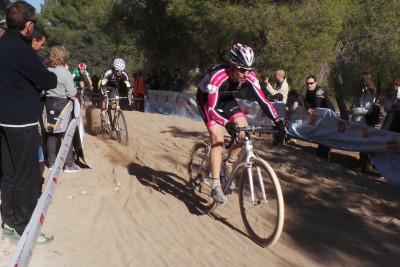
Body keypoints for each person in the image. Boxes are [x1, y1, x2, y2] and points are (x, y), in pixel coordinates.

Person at [196, 43, 286, 205]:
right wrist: (226, 124)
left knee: (243, 130)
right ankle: (216, 185)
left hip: (227, 98)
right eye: (242, 70)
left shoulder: (250, 77)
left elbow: (264, 101)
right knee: (217, 137)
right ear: (231, 65)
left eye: (249, 70)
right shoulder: (218, 76)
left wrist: (278, 121)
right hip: (207, 101)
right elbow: (212, 110)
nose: (246, 74)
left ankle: (227, 164)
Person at [0, 1, 57, 243]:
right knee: (26, 176)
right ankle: (24, 228)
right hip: (21, 123)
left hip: (3, 120)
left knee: (9, 173)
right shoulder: (22, 49)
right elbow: (48, 81)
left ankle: (9, 222)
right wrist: (52, 73)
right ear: (28, 25)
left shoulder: (2, 44)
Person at [45, 45, 78, 173]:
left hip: (49, 103)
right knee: (66, 134)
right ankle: (68, 164)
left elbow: (43, 89)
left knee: (51, 133)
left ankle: (52, 162)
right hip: (63, 105)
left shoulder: (47, 71)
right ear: (64, 57)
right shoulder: (66, 73)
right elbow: (71, 93)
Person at [348, 72, 378, 172]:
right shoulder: (363, 92)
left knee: (364, 144)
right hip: (360, 122)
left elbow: (367, 109)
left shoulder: (369, 93)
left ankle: (364, 165)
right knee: (362, 143)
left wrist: (354, 111)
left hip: (363, 122)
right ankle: (362, 164)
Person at [303, 75, 332, 159]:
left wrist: (311, 107)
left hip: (329, 115)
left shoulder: (319, 90)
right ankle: (321, 152)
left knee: (325, 134)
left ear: (315, 83)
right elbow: (305, 100)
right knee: (320, 132)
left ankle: (324, 154)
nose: (309, 85)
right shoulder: (308, 91)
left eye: (311, 83)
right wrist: (308, 107)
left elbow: (317, 102)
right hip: (320, 116)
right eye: (307, 83)